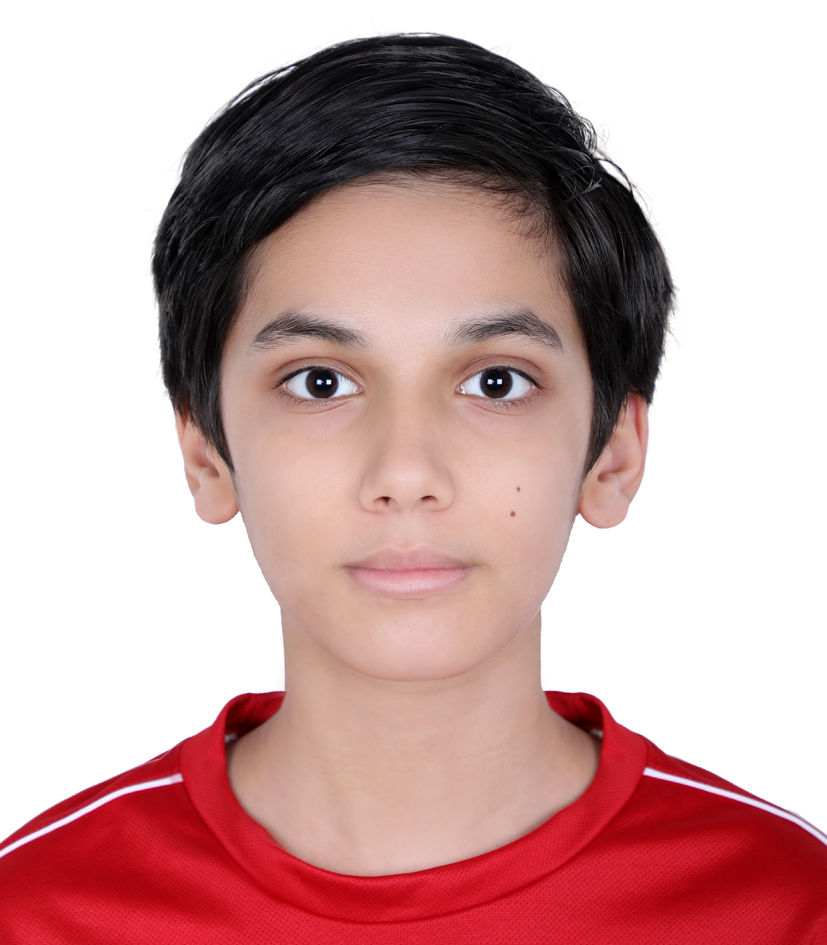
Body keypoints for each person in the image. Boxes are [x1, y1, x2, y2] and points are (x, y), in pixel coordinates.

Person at [1, 33, 824, 943]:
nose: (405, 473)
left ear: (612, 456)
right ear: (205, 450)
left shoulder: (787, 908)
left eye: (496, 382)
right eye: (319, 381)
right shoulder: (37, 913)